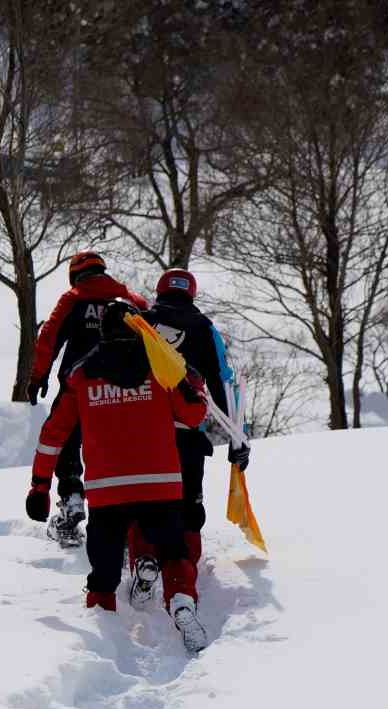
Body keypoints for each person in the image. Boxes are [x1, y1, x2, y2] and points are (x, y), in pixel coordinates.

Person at [25, 299, 211, 653]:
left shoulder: (80, 374)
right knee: (174, 553)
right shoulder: (161, 368)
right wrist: (193, 384)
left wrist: (40, 486)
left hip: (107, 491)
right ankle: (182, 601)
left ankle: (103, 646)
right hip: (161, 486)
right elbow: (193, 415)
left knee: (104, 575)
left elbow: (53, 435)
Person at [125, 268, 248, 607]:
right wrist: (239, 439)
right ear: (191, 294)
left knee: (144, 505)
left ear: (160, 291)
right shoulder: (206, 330)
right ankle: (182, 578)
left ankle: (144, 558)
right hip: (187, 437)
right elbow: (224, 384)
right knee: (189, 508)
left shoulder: (140, 323)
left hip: (143, 437)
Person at [27, 251, 148, 545]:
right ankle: (127, 520)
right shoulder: (132, 301)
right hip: (128, 392)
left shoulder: (73, 299)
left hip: (78, 388)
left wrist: (37, 376)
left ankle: (71, 500)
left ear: (75, 274)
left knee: (66, 441)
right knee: (118, 452)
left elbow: (49, 337)